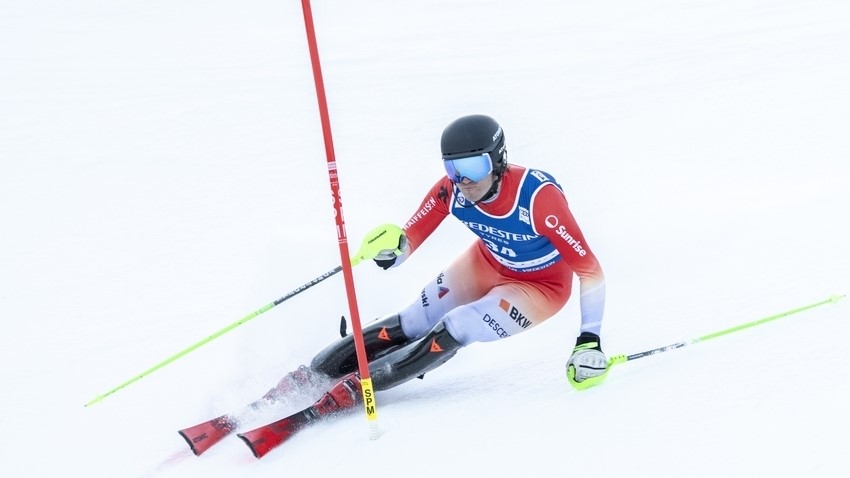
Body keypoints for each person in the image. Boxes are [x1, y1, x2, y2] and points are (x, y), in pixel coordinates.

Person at [272, 114, 608, 406]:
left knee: (459, 324)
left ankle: (355, 390)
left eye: (474, 167)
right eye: (453, 168)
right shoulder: (451, 192)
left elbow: (590, 271)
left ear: (498, 160)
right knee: (414, 319)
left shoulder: (538, 198)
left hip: (541, 287)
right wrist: (389, 249)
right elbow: (407, 243)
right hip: (486, 263)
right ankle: (310, 375)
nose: (464, 180)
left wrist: (588, 340)